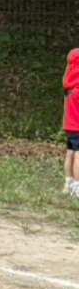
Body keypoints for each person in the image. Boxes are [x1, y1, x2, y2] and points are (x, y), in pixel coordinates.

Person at [63, 49, 79, 199]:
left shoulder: (70, 87)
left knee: (70, 153)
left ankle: (68, 184)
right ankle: (77, 187)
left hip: (70, 126)